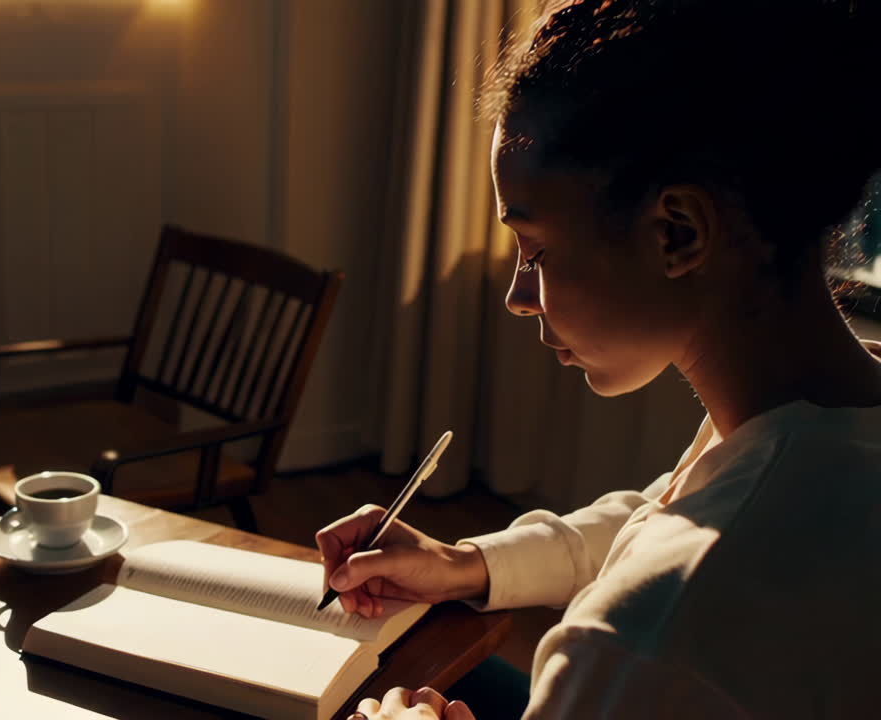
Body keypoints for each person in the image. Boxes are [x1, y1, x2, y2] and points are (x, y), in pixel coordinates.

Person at [318, 0, 881, 717]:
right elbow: (663, 513)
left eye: (534, 249)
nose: (518, 298)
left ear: (678, 232)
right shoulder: (813, 426)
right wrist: (465, 563)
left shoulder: (641, 642)